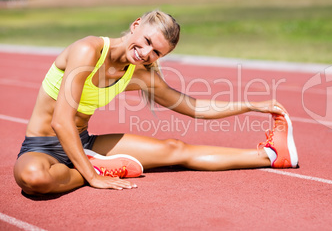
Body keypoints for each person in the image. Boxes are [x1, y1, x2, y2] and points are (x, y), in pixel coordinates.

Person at [14, 10, 298, 195]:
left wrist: (251, 104)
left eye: (157, 52)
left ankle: (271, 156)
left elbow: (194, 107)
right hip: (44, 145)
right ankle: (96, 168)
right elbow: (60, 121)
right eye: (147, 40)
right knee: (33, 178)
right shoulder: (88, 50)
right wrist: (92, 177)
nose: (147, 52)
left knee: (176, 150)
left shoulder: (139, 73)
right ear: (136, 25)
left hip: (84, 142)